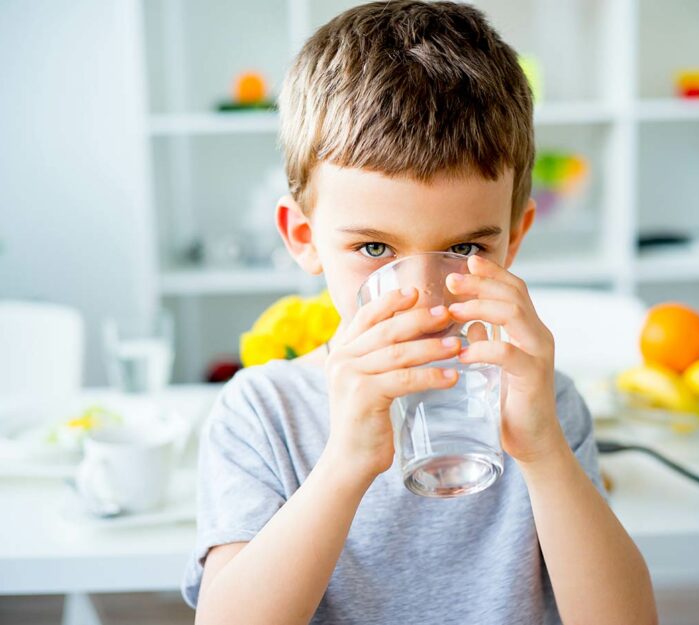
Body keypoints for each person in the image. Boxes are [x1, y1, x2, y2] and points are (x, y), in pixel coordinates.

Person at [181, 2, 656, 623]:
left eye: (464, 248)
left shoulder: (544, 405)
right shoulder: (264, 414)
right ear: (302, 237)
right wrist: (345, 462)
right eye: (375, 249)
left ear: (513, 238)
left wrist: (545, 453)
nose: (425, 297)